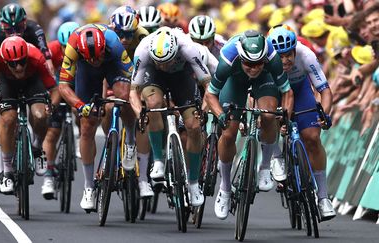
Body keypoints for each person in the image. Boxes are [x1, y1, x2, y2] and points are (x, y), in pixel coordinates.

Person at [204, 30, 293, 220]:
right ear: (241, 57)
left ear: (264, 59)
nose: (253, 68)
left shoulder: (272, 57)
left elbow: (287, 91)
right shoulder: (227, 58)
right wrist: (220, 115)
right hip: (234, 81)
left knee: (269, 115)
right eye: (249, 64)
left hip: (265, 80)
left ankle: (265, 167)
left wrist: (285, 115)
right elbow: (210, 95)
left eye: (258, 63)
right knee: (228, 134)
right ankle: (225, 188)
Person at [129, 27, 212, 207]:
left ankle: (194, 183)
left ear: (176, 52)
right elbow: (133, 93)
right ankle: (158, 160)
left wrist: (203, 111)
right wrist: (139, 114)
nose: (164, 66)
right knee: (153, 105)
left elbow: (209, 88)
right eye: (160, 62)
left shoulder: (188, 48)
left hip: (181, 76)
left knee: (194, 125)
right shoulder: (143, 50)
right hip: (154, 76)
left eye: (167, 61)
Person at [58, 24, 136, 212]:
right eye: (91, 58)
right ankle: (88, 187)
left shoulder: (114, 44)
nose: (95, 61)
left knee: (124, 98)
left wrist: (133, 97)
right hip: (86, 73)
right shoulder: (73, 46)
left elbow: (134, 75)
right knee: (86, 126)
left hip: (113, 66)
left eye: (98, 56)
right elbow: (63, 86)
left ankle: (130, 141)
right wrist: (80, 106)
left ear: (104, 49)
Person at [0, 3, 56, 189]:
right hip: (4, 79)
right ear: (2, 26)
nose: (19, 67)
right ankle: (6, 171)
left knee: (40, 115)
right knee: (8, 118)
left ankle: (37, 148)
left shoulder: (36, 52)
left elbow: (53, 82)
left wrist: (50, 106)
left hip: (33, 79)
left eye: (19, 28)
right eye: (9, 29)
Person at [267, 25, 336, 221]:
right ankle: (277, 156)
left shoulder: (306, 55)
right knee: (268, 118)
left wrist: (325, 114)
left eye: (289, 55)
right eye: (280, 56)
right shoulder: (266, 61)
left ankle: (323, 198)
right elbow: (257, 96)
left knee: (312, 138)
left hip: (301, 91)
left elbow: (324, 90)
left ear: (295, 50)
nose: (285, 60)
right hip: (276, 92)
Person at [107, 6, 154, 198]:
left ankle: (143, 179)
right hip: (114, 72)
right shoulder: (107, 36)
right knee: (108, 106)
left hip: (139, 72)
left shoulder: (143, 37)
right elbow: (102, 70)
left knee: (144, 118)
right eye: (120, 34)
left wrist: (141, 95)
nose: (124, 40)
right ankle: (112, 143)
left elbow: (149, 70)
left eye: (128, 35)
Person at [40, 21, 80, 200]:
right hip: (56, 87)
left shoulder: (84, 51)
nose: (66, 51)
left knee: (81, 112)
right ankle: (48, 175)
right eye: (64, 47)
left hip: (77, 85)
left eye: (70, 47)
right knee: (52, 132)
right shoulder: (52, 49)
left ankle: (79, 136)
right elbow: (45, 79)